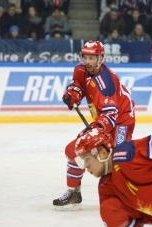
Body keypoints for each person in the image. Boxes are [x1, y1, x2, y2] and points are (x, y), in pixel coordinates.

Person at [52, 40, 136, 210]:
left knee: (118, 158)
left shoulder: (107, 81)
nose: (88, 61)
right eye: (85, 57)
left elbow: (111, 115)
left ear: (101, 58)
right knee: (73, 150)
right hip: (101, 119)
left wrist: (96, 130)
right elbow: (79, 85)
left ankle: (128, 196)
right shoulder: (81, 69)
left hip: (121, 120)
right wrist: (73, 93)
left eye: (92, 57)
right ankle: (74, 192)